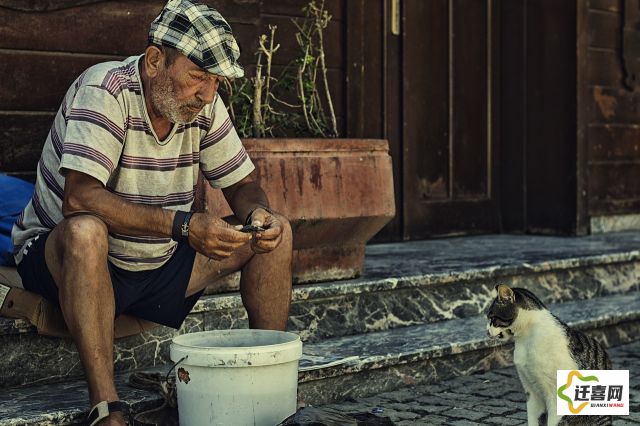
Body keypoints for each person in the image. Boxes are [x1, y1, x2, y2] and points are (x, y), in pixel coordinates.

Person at [10, 0, 293, 424]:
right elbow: (80, 198)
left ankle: (270, 380)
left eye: (216, 81)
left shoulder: (204, 105)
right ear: (156, 60)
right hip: (74, 263)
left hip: (155, 264)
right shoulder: (107, 89)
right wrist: (182, 226)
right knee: (86, 231)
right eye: (198, 76)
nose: (208, 93)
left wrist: (258, 216)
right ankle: (107, 408)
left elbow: (242, 186)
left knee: (278, 233)